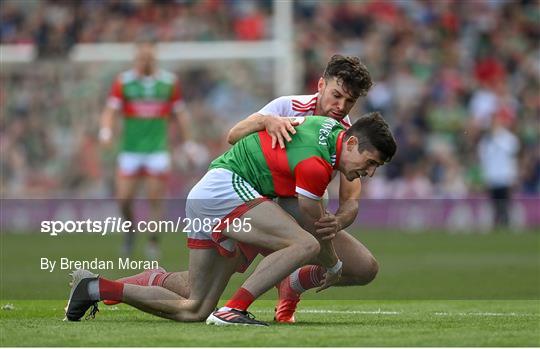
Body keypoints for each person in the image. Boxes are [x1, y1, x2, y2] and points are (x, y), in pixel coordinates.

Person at [101, 54, 379, 324]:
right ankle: (171, 287)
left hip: (282, 214)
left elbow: (351, 199)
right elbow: (233, 135)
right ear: (320, 85)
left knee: (363, 267)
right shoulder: (287, 106)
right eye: (336, 95)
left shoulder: (349, 136)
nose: (341, 106)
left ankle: (293, 283)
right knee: (193, 293)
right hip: (248, 201)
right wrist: (266, 121)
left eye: (350, 101)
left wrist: (338, 221)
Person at [65, 113, 397, 326]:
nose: (367, 173)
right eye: (369, 163)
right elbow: (313, 225)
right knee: (303, 243)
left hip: (211, 193)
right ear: (352, 142)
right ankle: (234, 310)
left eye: (375, 169)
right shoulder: (316, 163)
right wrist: (335, 267)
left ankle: (94, 287)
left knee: (194, 307)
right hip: (227, 189)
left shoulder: (332, 128)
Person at [98, 39, 190, 259]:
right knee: (124, 199)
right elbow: (110, 110)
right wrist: (106, 131)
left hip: (157, 150)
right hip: (130, 150)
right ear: (136, 58)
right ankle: (130, 232)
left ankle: (153, 241)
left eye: (149, 57)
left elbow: (181, 114)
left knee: (154, 198)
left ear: (154, 58)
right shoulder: (124, 82)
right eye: (141, 57)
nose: (145, 61)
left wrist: (188, 142)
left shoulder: (168, 83)